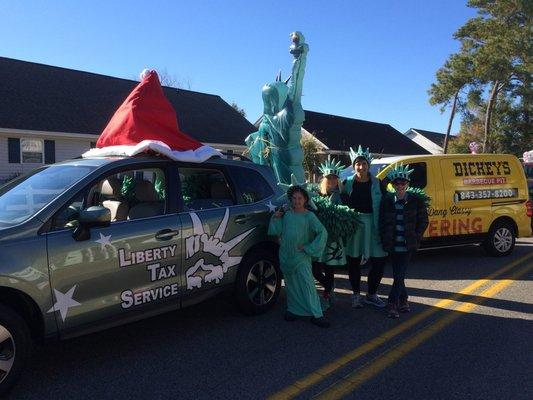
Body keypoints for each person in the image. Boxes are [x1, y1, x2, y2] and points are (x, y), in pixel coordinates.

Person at [268, 185, 330, 327]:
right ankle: (293, 310)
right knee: (291, 285)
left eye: (300, 198)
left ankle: (317, 314)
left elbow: (322, 232)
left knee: (307, 284)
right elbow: (277, 231)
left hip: (301, 256)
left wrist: (309, 247)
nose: (297, 201)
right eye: (294, 198)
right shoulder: (287, 214)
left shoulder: (309, 216)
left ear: (305, 199)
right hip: (285, 254)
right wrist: (276, 218)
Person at [379, 163, 429, 318]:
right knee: (398, 275)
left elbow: (424, 221)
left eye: (403, 183)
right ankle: (404, 299)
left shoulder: (415, 200)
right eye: (396, 183)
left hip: (407, 245)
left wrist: (416, 235)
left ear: (407, 184)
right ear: (392, 185)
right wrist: (384, 237)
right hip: (393, 244)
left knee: (399, 275)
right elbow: (381, 222)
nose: (400, 185)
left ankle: (392, 303)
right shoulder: (387, 200)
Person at [342, 146, 388, 309]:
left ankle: (371, 294)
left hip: (374, 225)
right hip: (354, 225)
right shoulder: (346, 183)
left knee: (379, 260)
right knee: (353, 261)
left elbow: (387, 203)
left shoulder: (378, 183)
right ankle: (356, 294)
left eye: (364, 163)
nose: (361, 167)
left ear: (368, 165)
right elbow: (337, 201)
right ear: (353, 166)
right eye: (358, 164)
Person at [312, 156, 346, 305]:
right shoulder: (317, 195)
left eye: (334, 178)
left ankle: (327, 292)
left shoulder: (341, 196)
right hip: (318, 237)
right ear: (325, 180)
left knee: (329, 267)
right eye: (329, 178)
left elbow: (344, 215)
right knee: (315, 268)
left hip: (332, 237)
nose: (332, 181)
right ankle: (328, 287)